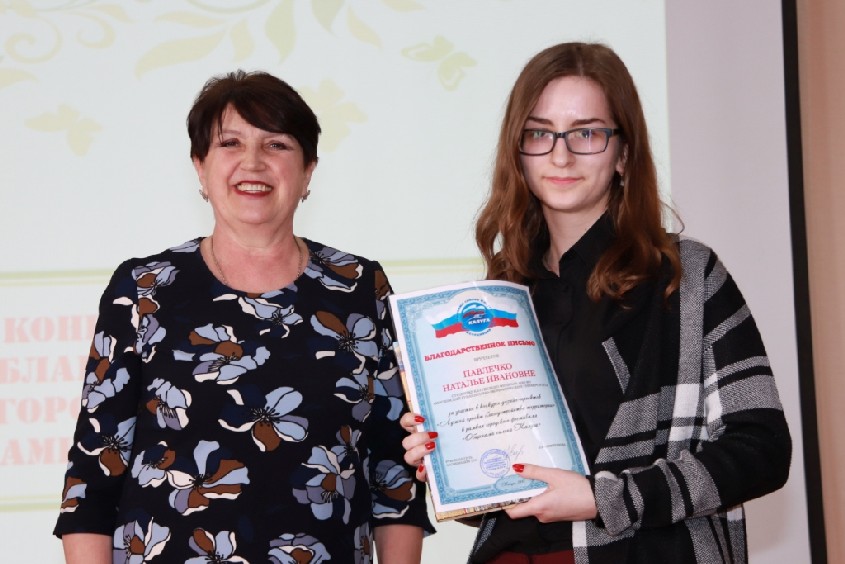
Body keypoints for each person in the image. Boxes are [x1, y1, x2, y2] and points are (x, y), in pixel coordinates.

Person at [401, 42, 791, 563]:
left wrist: (605, 499)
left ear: (623, 153)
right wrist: (450, 460)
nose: (560, 155)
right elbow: (508, 499)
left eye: (586, 133)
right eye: (539, 133)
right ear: (518, 152)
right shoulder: (499, 298)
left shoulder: (686, 276)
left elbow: (762, 448)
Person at [54, 69, 433, 563]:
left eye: (276, 144)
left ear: (309, 171)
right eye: (230, 143)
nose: (252, 162)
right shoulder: (143, 289)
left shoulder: (360, 287)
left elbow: (393, 471)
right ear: (200, 167)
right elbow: (93, 475)